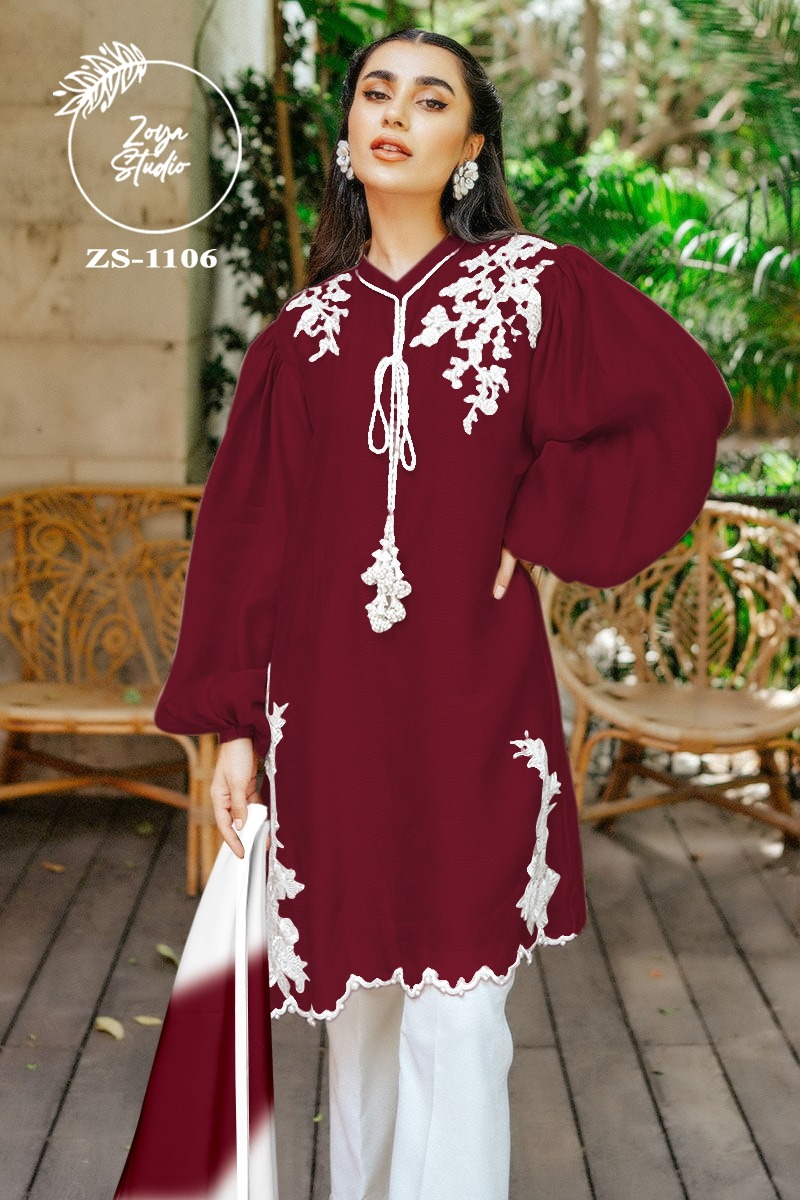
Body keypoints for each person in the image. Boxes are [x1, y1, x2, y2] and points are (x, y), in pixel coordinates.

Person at [137, 26, 733, 1200]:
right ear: (348, 133)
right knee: (357, 1014)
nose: (395, 115)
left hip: (475, 702)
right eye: (375, 94)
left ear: (469, 146)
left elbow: (680, 398)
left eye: (428, 100)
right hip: (327, 710)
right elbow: (248, 542)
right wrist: (235, 727)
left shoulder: (535, 290)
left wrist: (541, 521)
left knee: (458, 1012)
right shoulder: (298, 341)